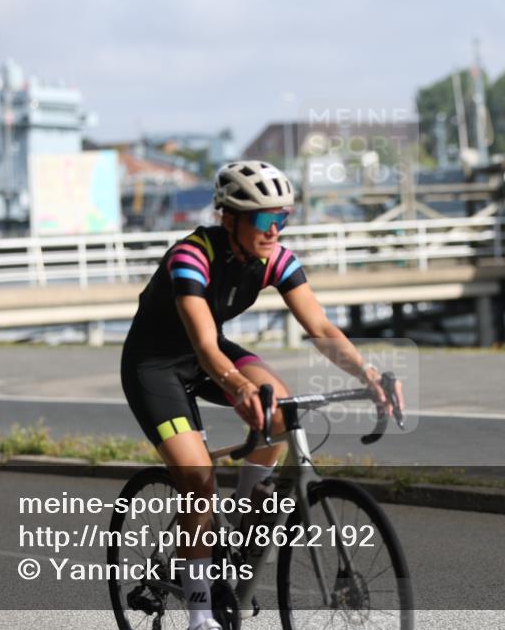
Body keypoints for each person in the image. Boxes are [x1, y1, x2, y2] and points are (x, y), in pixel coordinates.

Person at [121, 160, 404, 630]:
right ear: (229, 218)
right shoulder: (190, 257)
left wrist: (368, 372)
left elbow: (320, 327)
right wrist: (239, 387)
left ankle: (240, 527)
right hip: (155, 366)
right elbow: (205, 347)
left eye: (283, 218)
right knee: (198, 480)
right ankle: (199, 617)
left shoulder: (275, 258)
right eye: (264, 219)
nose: (275, 230)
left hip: (209, 354)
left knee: (280, 410)